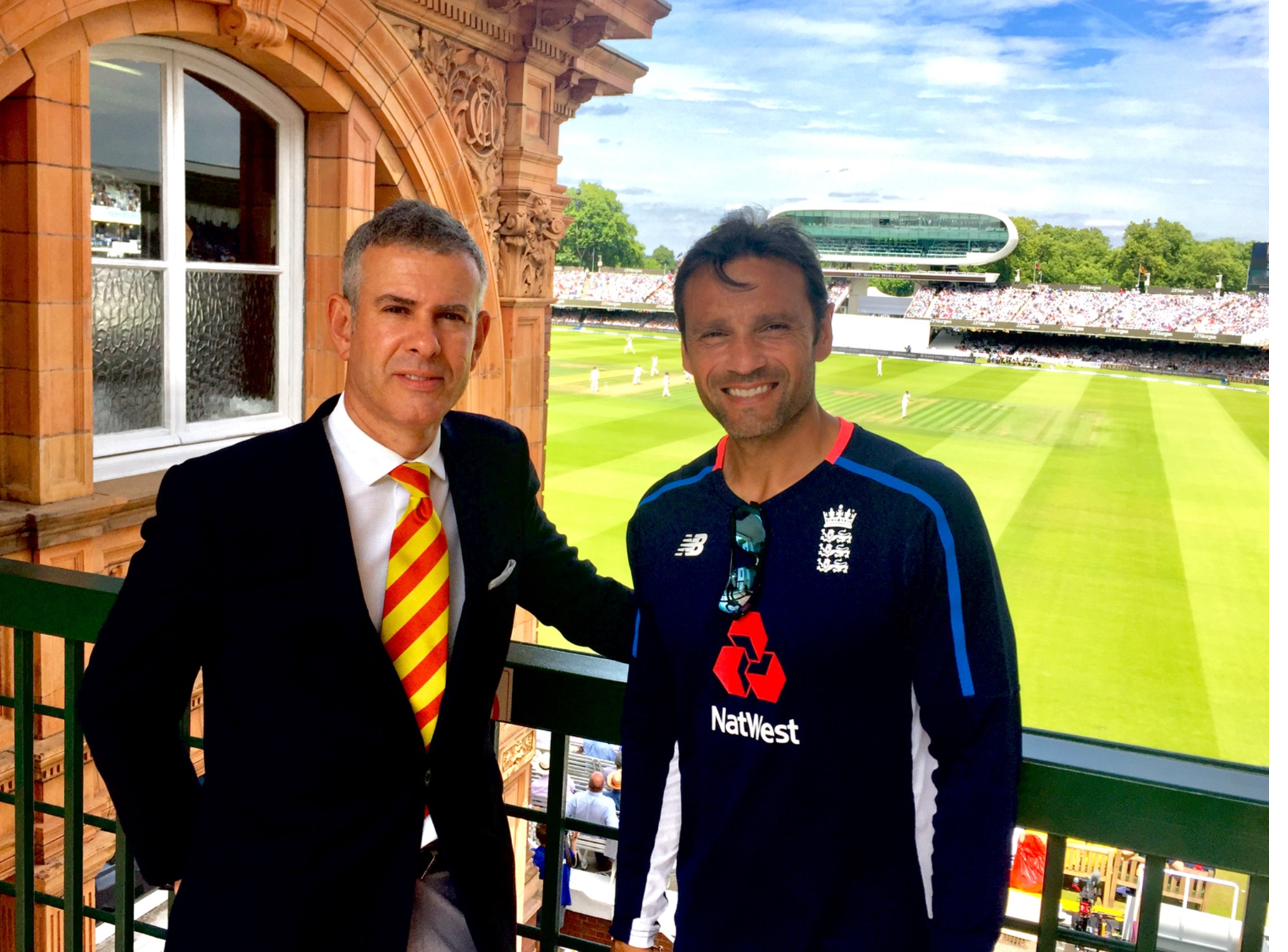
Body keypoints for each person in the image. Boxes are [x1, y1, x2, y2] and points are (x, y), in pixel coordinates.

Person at [79, 199, 635, 952]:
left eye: (450, 316)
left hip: (453, 888)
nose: (425, 343)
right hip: (273, 907)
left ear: (481, 336)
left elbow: (581, 597)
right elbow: (123, 699)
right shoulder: (225, 497)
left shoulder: (492, 464)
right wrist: (190, 855)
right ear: (344, 324)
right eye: (396, 308)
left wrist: (735, 635)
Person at [610, 208, 1019, 952]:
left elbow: (977, 754)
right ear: (685, 349)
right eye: (714, 333)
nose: (742, 361)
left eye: (771, 327)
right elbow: (654, 732)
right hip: (710, 931)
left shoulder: (920, 510)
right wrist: (635, 921)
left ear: (821, 332)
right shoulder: (663, 517)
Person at [567, 771, 619, 872]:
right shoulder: (608, 803)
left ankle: (577, 856)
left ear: (588, 784)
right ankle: (606, 861)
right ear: (603, 786)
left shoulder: (577, 797)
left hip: (577, 838)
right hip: (598, 841)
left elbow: (564, 814)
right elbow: (613, 828)